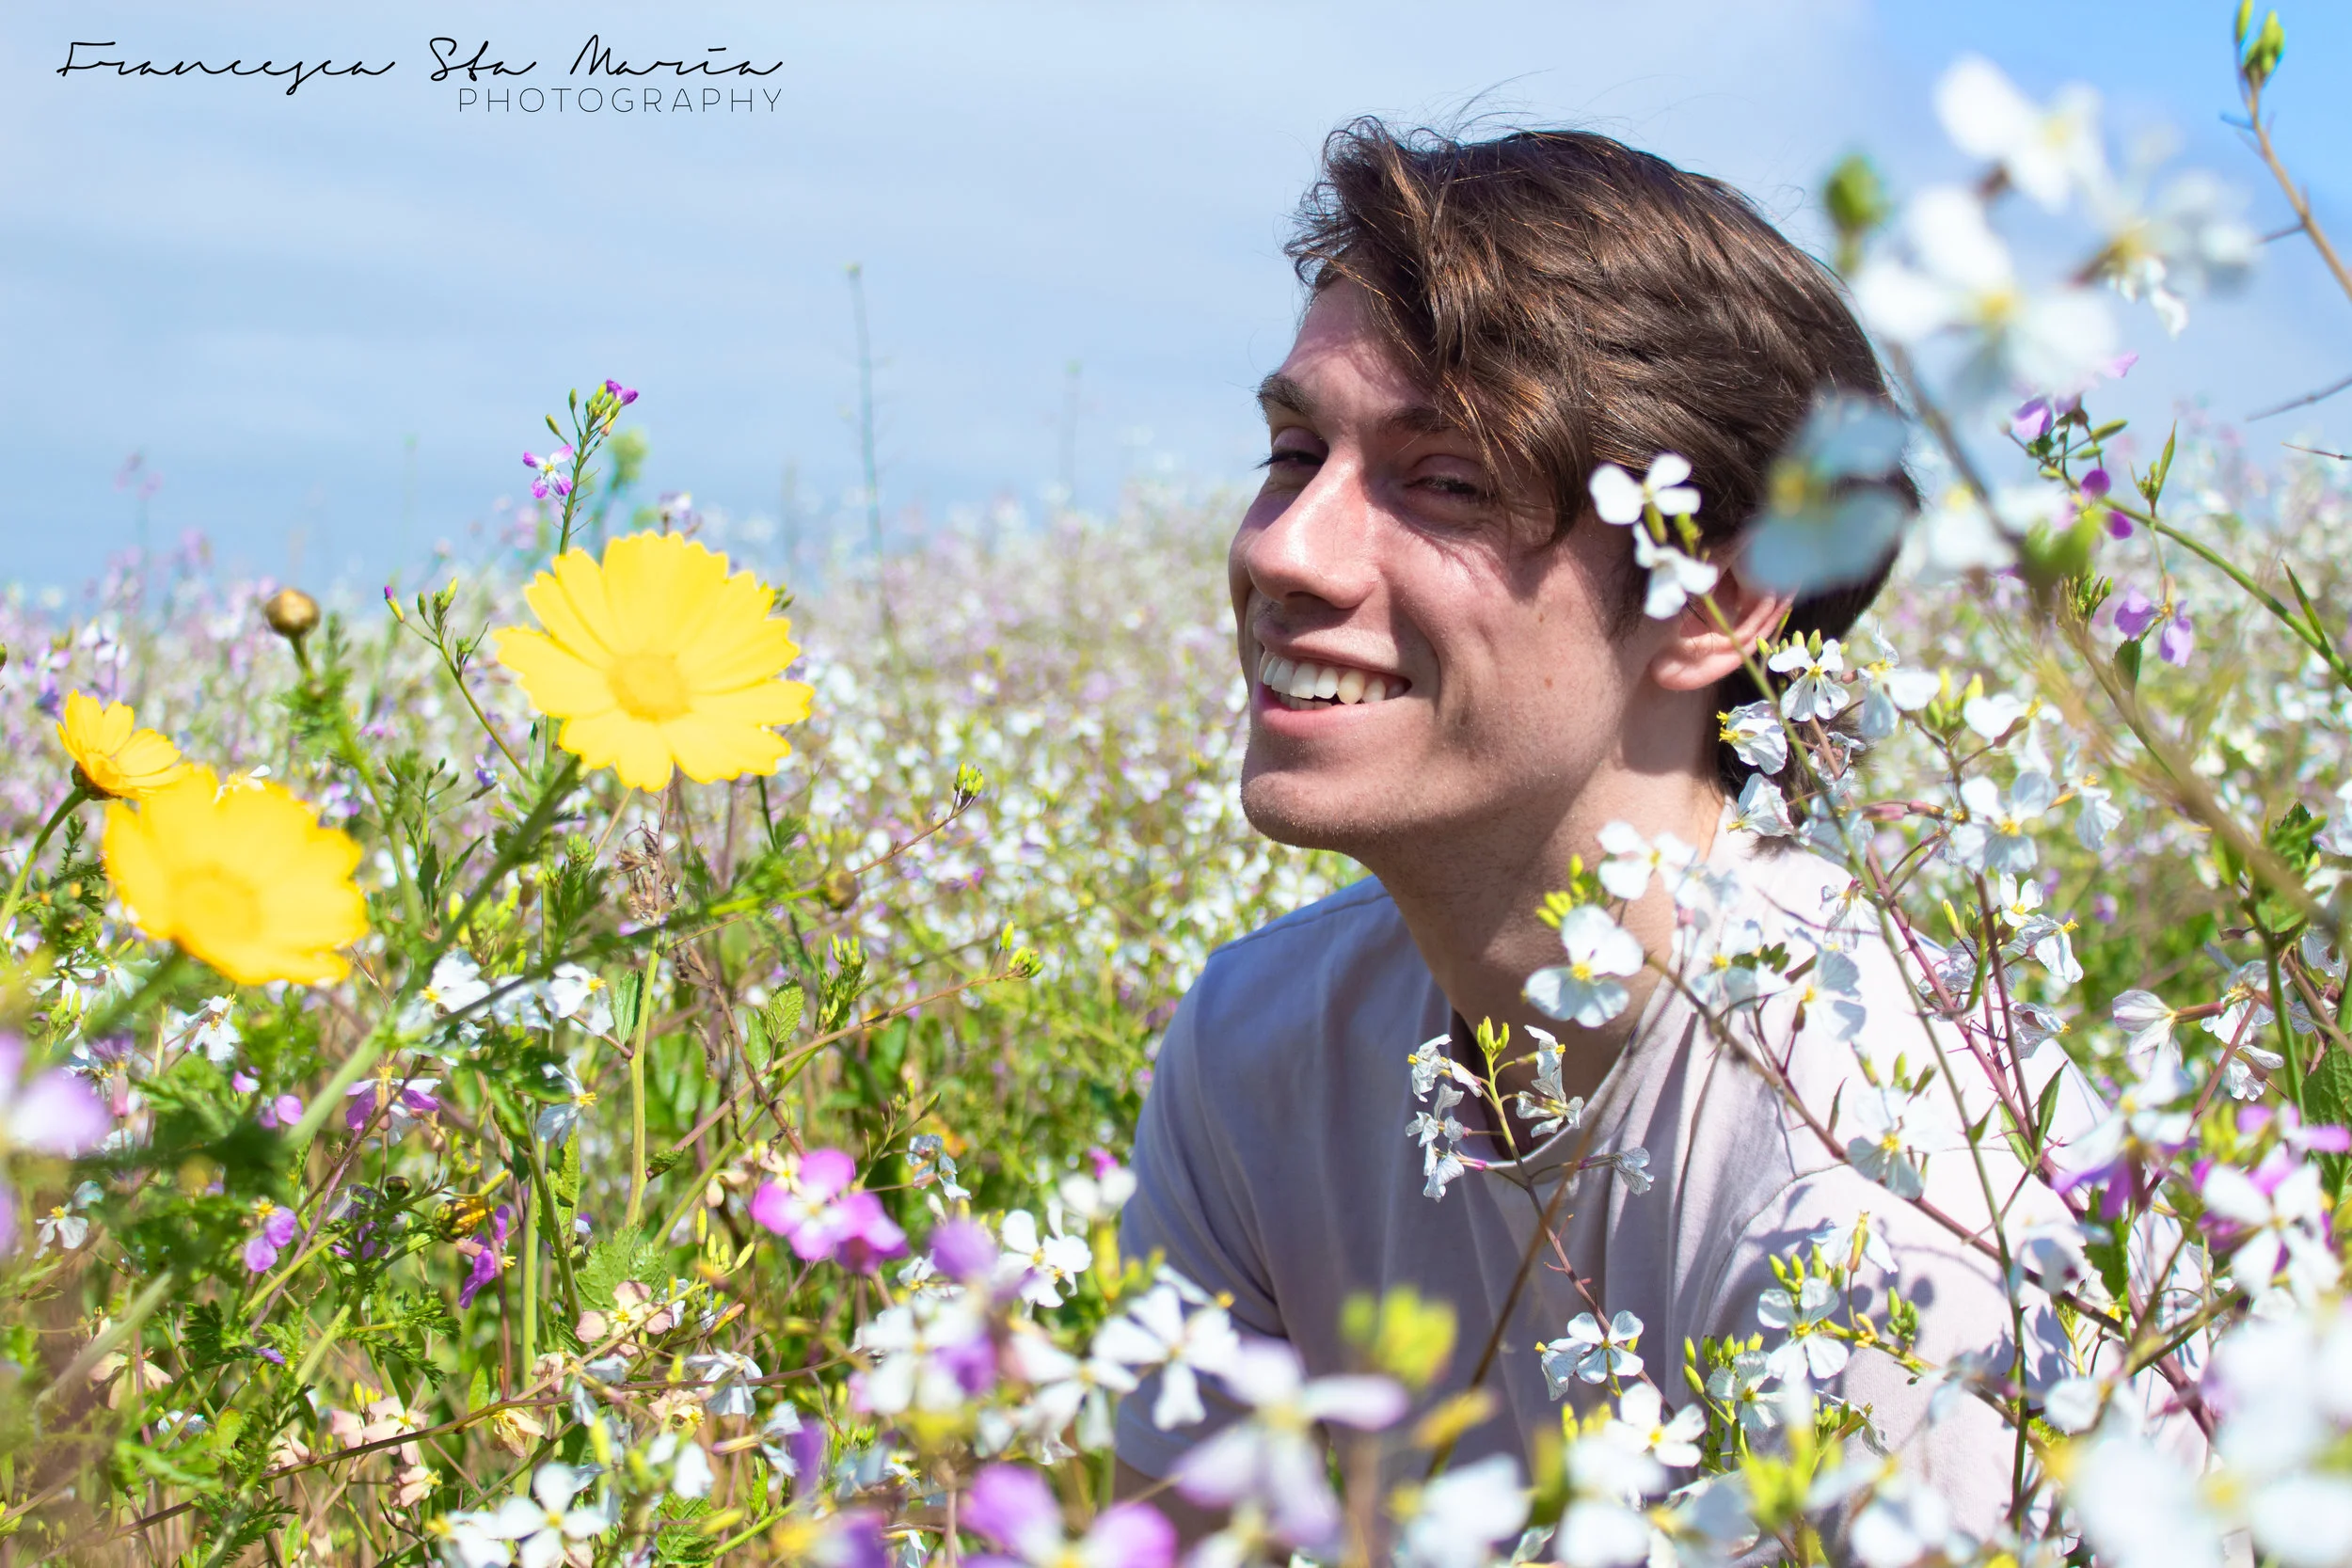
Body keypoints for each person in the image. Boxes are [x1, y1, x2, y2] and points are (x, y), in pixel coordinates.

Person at [1111, 119, 2094, 1548]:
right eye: (1292, 451)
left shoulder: (1884, 1205)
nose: (1280, 549)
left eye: (1447, 480)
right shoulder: (1250, 1045)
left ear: (1715, 606)